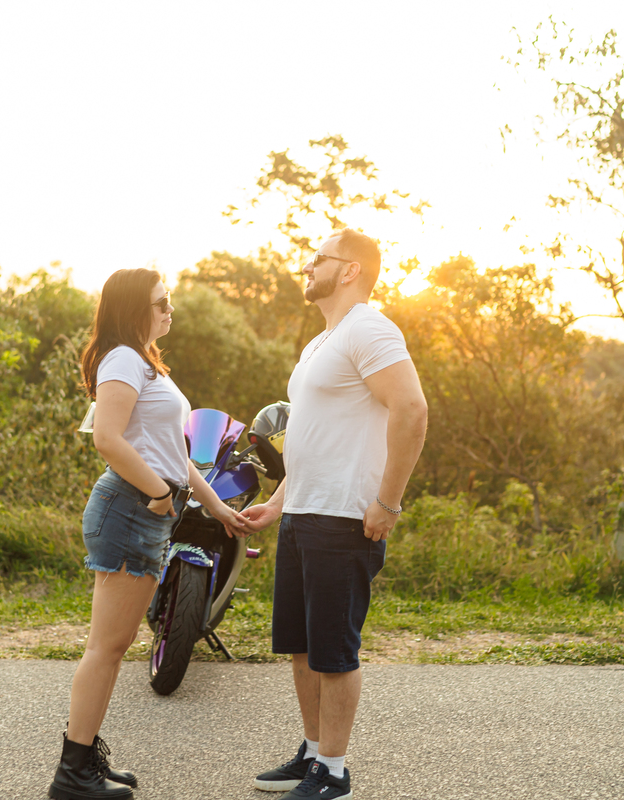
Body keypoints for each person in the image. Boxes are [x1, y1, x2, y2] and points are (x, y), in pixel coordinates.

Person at [237, 229, 428, 800]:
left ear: (349, 271)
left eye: (318, 257)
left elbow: (412, 410)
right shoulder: (320, 343)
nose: (307, 264)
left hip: (345, 519)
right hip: (303, 514)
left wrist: (388, 502)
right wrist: (277, 502)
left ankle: (334, 772)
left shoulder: (370, 328)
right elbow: (312, 437)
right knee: (301, 646)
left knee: (334, 651)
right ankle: (314, 751)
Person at [48, 268, 250, 800]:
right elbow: (109, 440)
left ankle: (85, 759)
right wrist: (160, 496)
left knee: (111, 647)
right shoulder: (121, 359)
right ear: (135, 307)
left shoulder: (143, 363)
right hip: (131, 508)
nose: (169, 309)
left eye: (170, 301)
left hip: (144, 509)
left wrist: (219, 510)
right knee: (107, 648)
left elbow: (179, 458)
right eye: (161, 302)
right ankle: (72, 774)